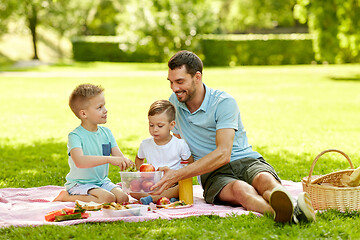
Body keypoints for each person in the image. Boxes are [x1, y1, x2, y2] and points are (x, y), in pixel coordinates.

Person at [151, 50, 315, 223]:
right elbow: (180, 147)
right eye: (171, 82)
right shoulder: (174, 104)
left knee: (264, 180)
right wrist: (171, 174)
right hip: (213, 173)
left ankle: (290, 203)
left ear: (197, 77)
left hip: (245, 160)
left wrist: (178, 175)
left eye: (180, 81)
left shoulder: (223, 102)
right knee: (240, 190)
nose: (174, 88)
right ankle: (285, 214)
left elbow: (223, 154)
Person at [53, 84, 133, 204]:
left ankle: (99, 193)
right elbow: (80, 161)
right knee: (107, 199)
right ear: (84, 114)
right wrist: (109, 159)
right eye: (99, 107)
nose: (105, 110)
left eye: (104, 105)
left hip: (101, 182)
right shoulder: (75, 136)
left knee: (123, 198)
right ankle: (66, 196)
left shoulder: (107, 133)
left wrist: (127, 162)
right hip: (80, 184)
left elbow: (118, 156)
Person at [131, 100, 194, 204]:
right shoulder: (145, 144)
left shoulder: (179, 144)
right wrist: (141, 175)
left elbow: (190, 162)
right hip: (152, 184)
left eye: (160, 126)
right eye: (151, 125)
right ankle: (166, 198)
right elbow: (139, 159)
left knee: (181, 187)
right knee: (133, 189)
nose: (155, 129)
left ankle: (153, 199)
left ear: (171, 125)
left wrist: (179, 173)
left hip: (172, 183)